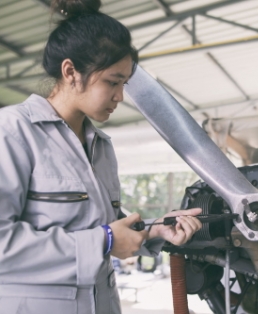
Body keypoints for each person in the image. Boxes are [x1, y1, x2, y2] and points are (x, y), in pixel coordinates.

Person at [0, 1, 202, 313]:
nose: (120, 96)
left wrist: (153, 231)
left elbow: (104, 225)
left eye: (124, 84)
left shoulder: (101, 145)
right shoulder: (12, 131)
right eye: (112, 81)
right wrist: (103, 241)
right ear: (71, 72)